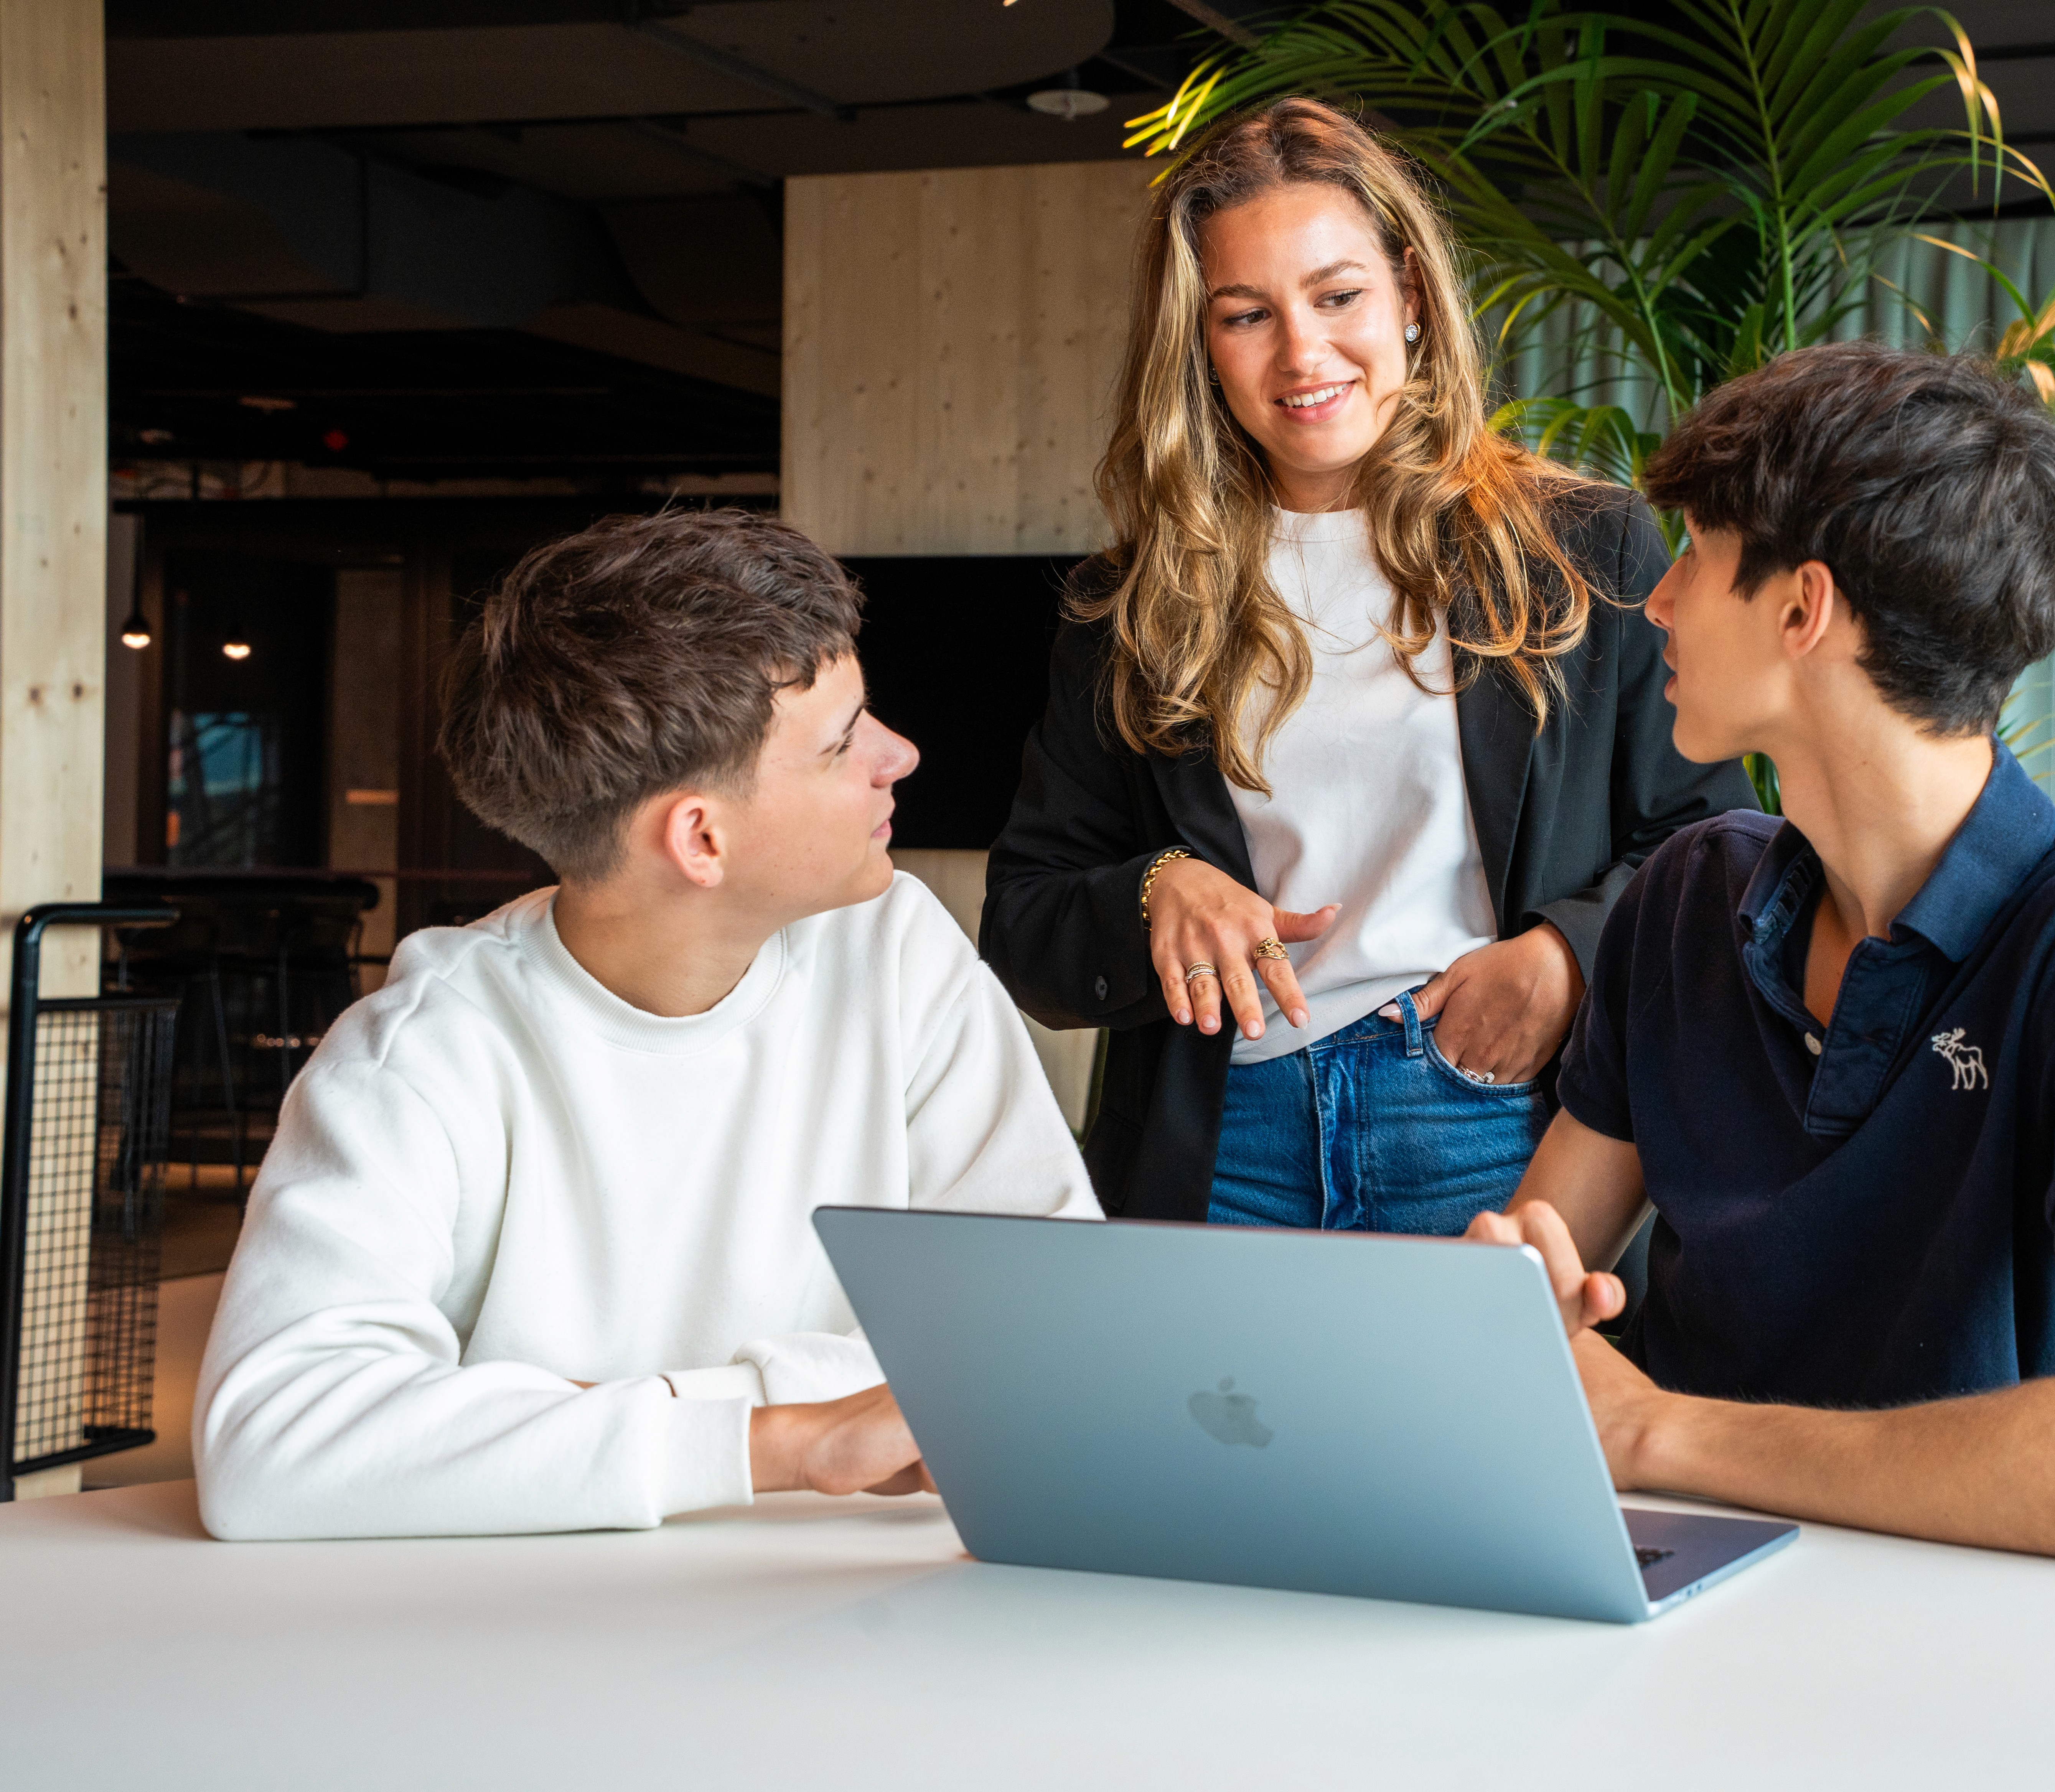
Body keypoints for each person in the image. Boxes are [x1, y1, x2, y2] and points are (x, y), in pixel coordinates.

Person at [1471, 342, 2055, 1571]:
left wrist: (1660, 1434)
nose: (1657, 600)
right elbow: (1525, 1295)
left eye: (1697, 554)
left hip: (1979, 1646)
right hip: (1666, 1606)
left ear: (1803, 608)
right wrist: (1510, 1305)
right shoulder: (1682, 900)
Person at [193, 509, 1098, 1541]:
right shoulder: (421, 1052)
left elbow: (1051, 1337)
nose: (901, 753)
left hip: (855, 1610)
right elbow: (271, 1441)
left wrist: (573, 1410)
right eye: (844, 742)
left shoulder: (896, 953)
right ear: (700, 838)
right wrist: (786, 1440)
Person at [982, 98, 1750, 1234]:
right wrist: (1156, 890)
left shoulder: (1578, 548)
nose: (1303, 353)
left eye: (1338, 297)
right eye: (1247, 315)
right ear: (1199, 343)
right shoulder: (1135, 601)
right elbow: (1027, 922)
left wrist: (1568, 958)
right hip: (1221, 1132)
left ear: (1409, 296)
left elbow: (1713, 846)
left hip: (1485, 1114)